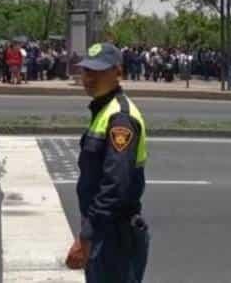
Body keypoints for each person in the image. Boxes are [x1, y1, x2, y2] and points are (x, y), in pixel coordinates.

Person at [65, 42, 150, 283]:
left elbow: (115, 184)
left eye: (99, 71)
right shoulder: (104, 111)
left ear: (118, 73)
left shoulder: (120, 118)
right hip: (106, 233)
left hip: (115, 238)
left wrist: (87, 237)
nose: (89, 78)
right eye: (87, 71)